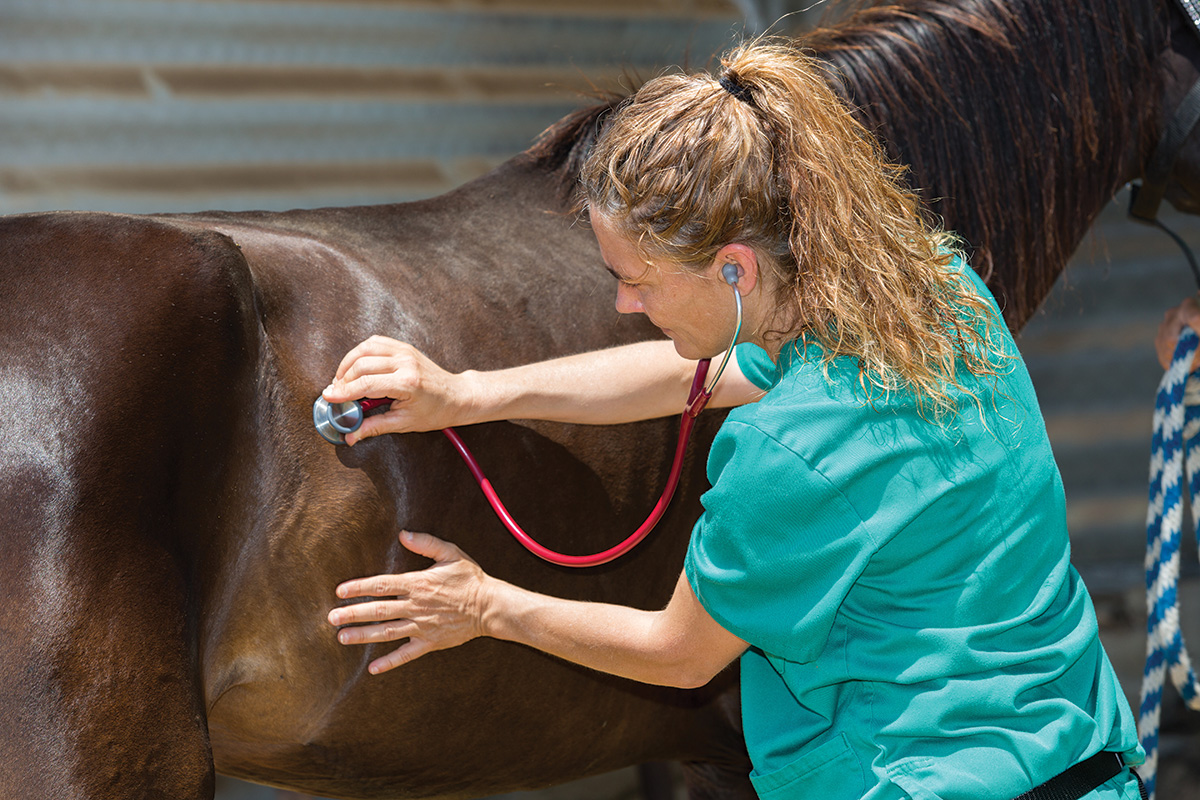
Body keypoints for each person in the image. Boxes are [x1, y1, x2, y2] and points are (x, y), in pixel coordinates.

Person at [321, 40, 1145, 800]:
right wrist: (468, 393)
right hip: (1087, 761)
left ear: (735, 267)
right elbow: (699, 372)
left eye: (638, 281)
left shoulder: (789, 451)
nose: (624, 305)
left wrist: (483, 605)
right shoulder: (934, 289)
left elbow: (679, 654)